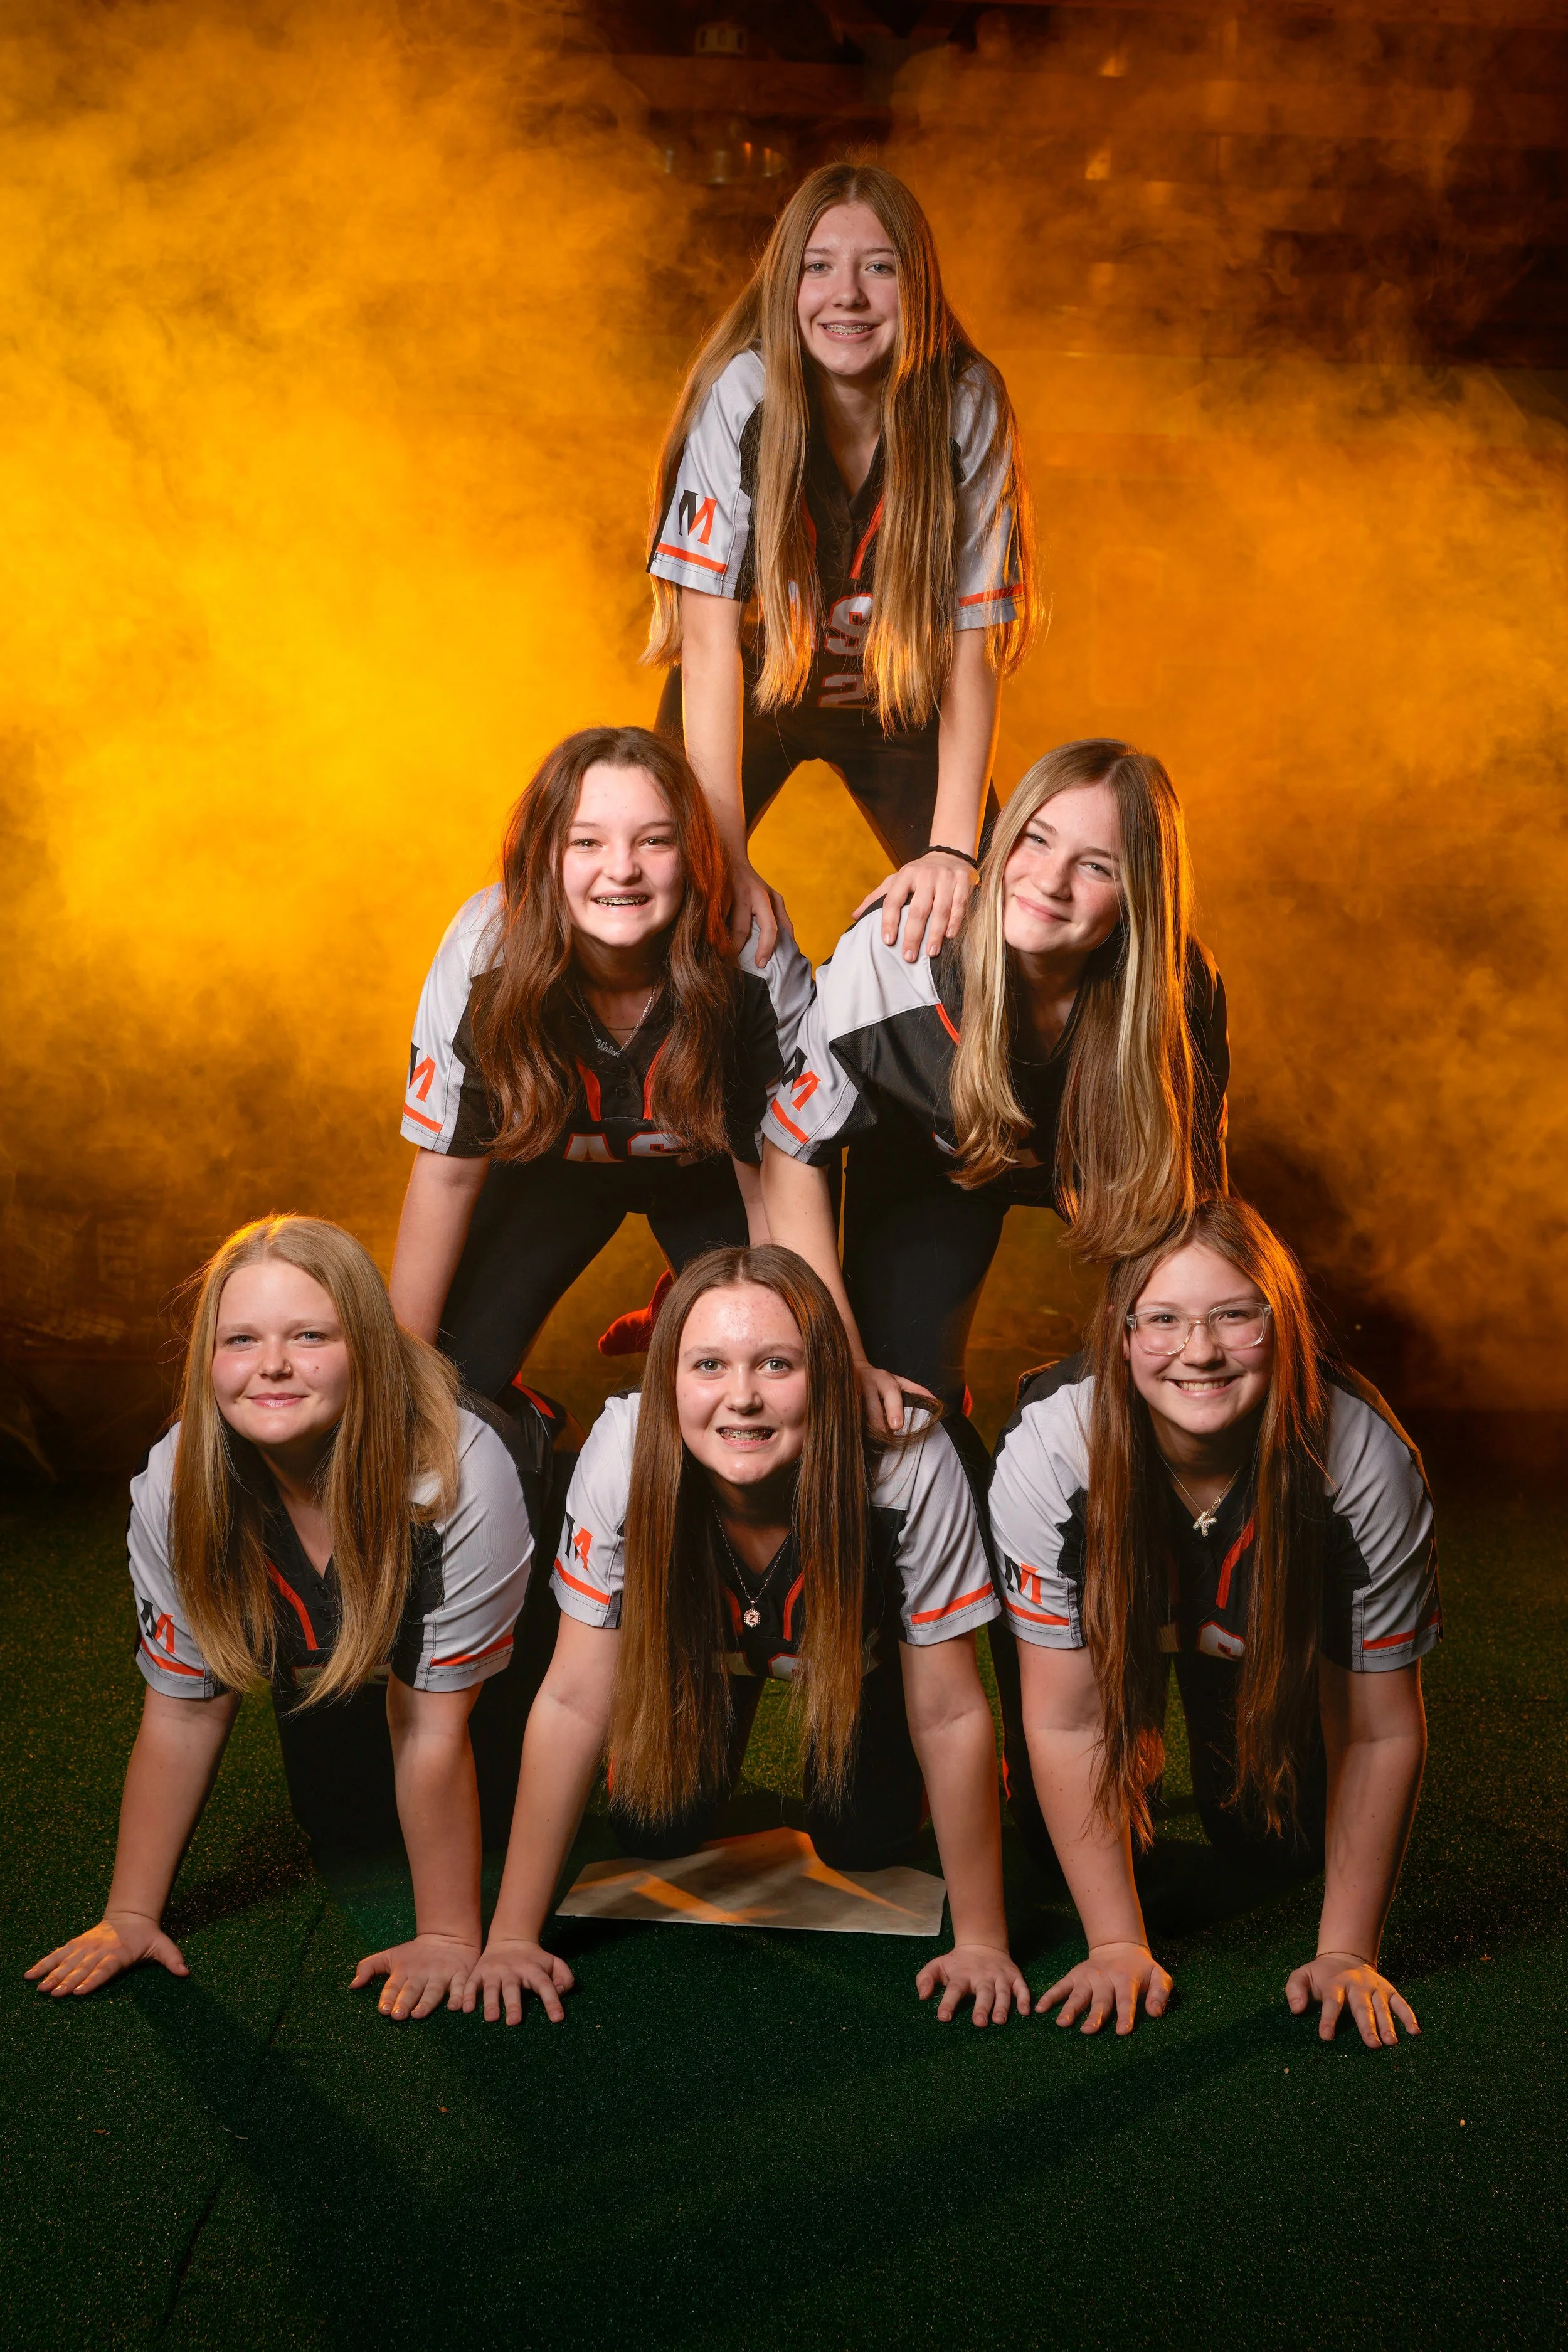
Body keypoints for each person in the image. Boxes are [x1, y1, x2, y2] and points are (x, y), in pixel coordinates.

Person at [460, 1245, 1029, 2029]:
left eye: (775, 1365)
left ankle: (910, 1785)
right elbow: (571, 1697)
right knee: (653, 1827)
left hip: (856, 1664)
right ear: (668, 1378)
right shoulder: (624, 1452)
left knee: (862, 1840)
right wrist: (512, 1939)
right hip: (703, 1656)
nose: (742, 1399)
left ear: (828, 1374)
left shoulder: (906, 1459)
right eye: (707, 1366)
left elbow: (951, 1711)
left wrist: (984, 1944)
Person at [26, 1216, 544, 2022]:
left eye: (309, 1335)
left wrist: (446, 1935)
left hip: (505, 1549)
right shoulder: (176, 1484)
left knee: (513, 1798)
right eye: (240, 1340)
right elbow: (183, 1712)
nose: (270, 1366)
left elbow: (428, 1729)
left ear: (366, 1349)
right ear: (208, 1360)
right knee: (346, 1825)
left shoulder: (460, 1472)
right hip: (343, 1623)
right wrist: (130, 1915)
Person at [987, 1196, 1439, 2047]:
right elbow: (1065, 1714)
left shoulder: (1364, 1456)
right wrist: (1116, 1942)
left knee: (1279, 1842)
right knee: (1063, 1853)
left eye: (1235, 1316)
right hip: (1111, 1641)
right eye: (1163, 1319)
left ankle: (1212, 1687)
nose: (1200, 1351)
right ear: (1122, 1334)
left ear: (1286, 1324)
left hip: (1253, 1635)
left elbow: (1378, 1730)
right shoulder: (1049, 1445)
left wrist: (1347, 1950)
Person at [760, 737, 1228, 1423]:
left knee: (1171, 1381)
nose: (1049, 880)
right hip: (930, 1167)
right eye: (1034, 840)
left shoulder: (1180, 986)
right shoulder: (895, 954)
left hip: (1089, 1164)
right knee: (900, 1408)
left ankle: (1051, 1424)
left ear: (1140, 898)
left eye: (1096, 865)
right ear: (999, 840)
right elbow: (791, 1155)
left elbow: (1190, 1196)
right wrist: (843, 1359)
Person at [647, 159, 1034, 970]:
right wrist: (719, 863)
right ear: (787, 286)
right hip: (753, 686)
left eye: (879, 267)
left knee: (1000, 925)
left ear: (917, 284)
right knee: (668, 892)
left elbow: (974, 641)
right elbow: (710, 641)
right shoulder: (741, 392)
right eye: (819, 267)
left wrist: (957, 858)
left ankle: (963, 1094)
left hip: (893, 694)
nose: (847, 294)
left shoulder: (970, 402)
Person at [388, 724, 811, 1403]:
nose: (622, 868)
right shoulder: (482, 952)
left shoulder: (751, 958)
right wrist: (395, 1379)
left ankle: (687, 1307)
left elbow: (773, 1189)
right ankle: (529, 1435)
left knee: (771, 1372)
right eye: (586, 841)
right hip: (552, 1170)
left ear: (697, 853)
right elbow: (446, 1178)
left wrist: (767, 1335)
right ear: (542, 856)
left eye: (655, 840)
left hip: (711, 1177)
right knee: (446, 1386)